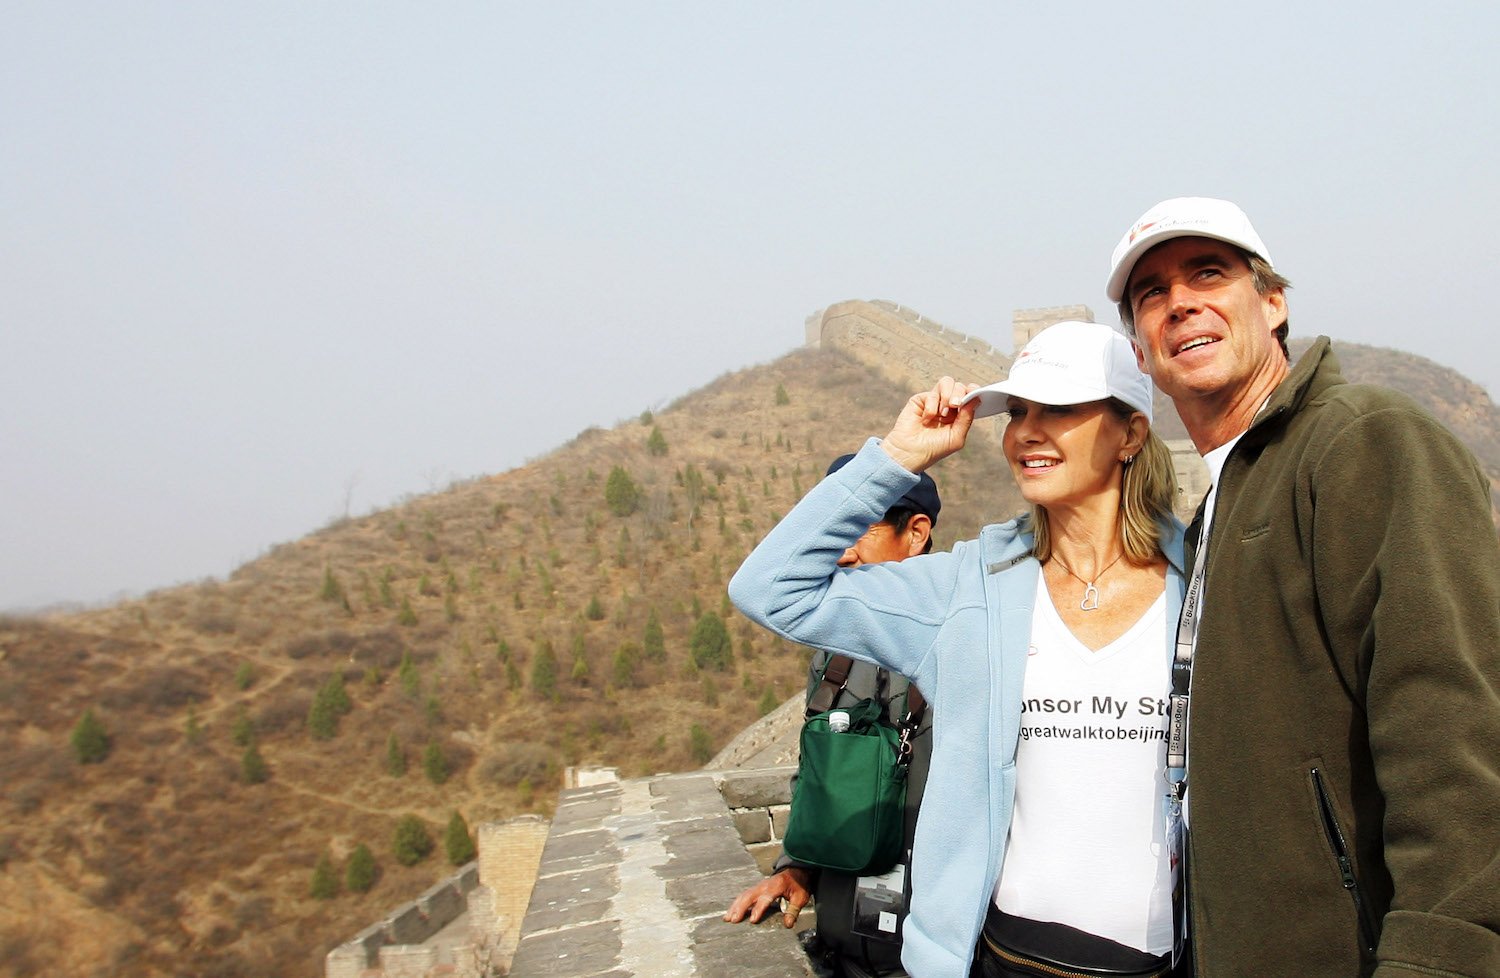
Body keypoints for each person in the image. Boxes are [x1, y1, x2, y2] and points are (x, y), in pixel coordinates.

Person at [1107, 196, 1500, 976]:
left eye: (1208, 274)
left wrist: (1440, 957)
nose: (1180, 301)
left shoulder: (1362, 439)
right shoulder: (1222, 499)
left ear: (1273, 302)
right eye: (1151, 293)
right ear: (1141, 352)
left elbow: (1450, 725)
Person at [729, 321, 1186, 978]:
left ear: (1131, 433)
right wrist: (897, 456)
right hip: (1004, 956)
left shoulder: (1202, 581)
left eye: (1057, 409)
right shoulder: (967, 590)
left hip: (1167, 959)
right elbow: (771, 589)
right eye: (1018, 412)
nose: (1026, 431)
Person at [723, 454, 940, 978]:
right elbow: (821, 767)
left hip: (938, 949)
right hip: (843, 943)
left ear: (915, 532)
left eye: (858, 535)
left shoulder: (966, 637)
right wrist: (797, 867)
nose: (840, 559)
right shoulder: (835, 652)